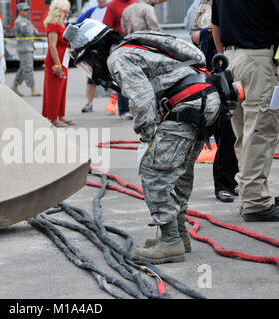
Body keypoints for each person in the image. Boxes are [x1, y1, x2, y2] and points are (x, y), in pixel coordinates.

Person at [64, 19, 222, 264]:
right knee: (178, 172)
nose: (91, 70)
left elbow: (142, 100)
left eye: (86, 62)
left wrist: (146, 136)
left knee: (154, 170)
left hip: (187, 104)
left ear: (95, 51)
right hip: (204, 100)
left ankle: (170, 242)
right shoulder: (135, 46)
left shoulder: (118, 58)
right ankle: (179, 235)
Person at [211, 0, 279, 222]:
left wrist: (225, 60)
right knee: (260, 132)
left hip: (232, 61)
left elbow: (216, 27)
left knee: (243, 133)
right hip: (259, 60)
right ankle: (255, 202)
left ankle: (252, 194)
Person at [190, 0, 239, 203]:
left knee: (237, 129)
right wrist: (207, 33)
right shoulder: (201, 4)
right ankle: (224, 183)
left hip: (233, 62)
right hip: (212, 70)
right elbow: (193, 35)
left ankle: (234, 180)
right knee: (223, 127)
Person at [41, 0, 75, 128]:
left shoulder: (61, 24)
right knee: (54, 90)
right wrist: (58, 64)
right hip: (56, 62)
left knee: (61, 89)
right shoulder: (53, 25)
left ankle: (61, 115)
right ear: (60, 10)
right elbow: (52, 46)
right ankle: (52, 117)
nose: (67, 12)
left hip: (63, 60)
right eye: (66, 10)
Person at [102, 0, 135, 120]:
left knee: (135, 78)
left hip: (135, 44)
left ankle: (135, 108)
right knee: (122, 78)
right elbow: (106, 28)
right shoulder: (112, 5)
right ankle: (124, 110)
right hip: (118, 45)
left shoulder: (135, 2)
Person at [76, 0, 108, 113]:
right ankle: (89, 103)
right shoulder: (92, 11)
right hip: (93, 49)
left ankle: (114, 104)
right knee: (91, 77)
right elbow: (78, 23)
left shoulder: (110, 9)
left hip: (107, 49)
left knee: (112, 78)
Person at [10, 2, 41, 97]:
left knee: (23, 68)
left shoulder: (26, 21)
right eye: (25, 10)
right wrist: (33, 31)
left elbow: (36, 32)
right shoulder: (20, 22)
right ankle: (33, 88)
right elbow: (29, 33)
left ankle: (14, 86)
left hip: (28, 48)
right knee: (28, 69)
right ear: (20, 11)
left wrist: (33, 31)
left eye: (28, 9)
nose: (28, 11)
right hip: (24, 49)